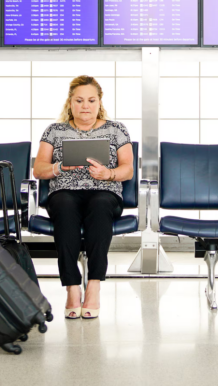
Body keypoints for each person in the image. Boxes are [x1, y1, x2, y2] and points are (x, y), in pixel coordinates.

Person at [33, 75, 134, 320]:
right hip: (64, 192)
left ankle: (94, 285)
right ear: (70, 102)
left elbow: (128, 169)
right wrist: (59, 168)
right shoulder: (55, 131)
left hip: (104, 191)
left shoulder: (116, 129)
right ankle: (72, 287)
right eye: (79, 100)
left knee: (100, 205)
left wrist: (107, 173)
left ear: (99, 102)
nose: (85, 106)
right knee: (65, 207)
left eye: (91, 100)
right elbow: (39, 170)